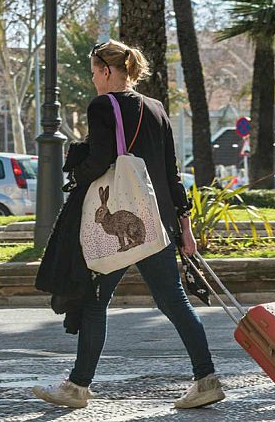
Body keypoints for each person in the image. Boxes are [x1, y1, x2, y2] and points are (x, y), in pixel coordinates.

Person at [32, 40, 225, 409]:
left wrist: (76, 170)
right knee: (174, 301)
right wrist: (185, 226)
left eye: (93, 73)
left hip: (118, 225)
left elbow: (103, 158)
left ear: (106, 71)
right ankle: (206, 378)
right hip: (156, 222)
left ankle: (77, 388)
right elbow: (172, 172)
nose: (93, 80)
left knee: (94, 301)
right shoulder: (156, 108)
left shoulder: (103, 105)